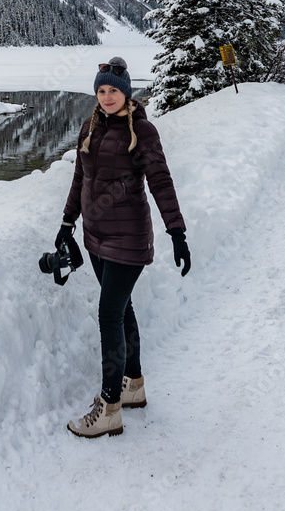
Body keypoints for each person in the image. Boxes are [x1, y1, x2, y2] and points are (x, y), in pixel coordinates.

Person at [58, 56, 190, 438]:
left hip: (128, 239)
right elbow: (79, 180)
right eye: (101, 90)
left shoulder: (142, 132)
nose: (106, 96)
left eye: (113, 90)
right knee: (122, 309)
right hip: (96, 238)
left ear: (126, 92)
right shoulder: (89, 127)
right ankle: (133, 384)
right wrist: (67, 224)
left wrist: (176, 233)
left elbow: (161, 183)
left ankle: (110, 407)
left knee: (108, 316)